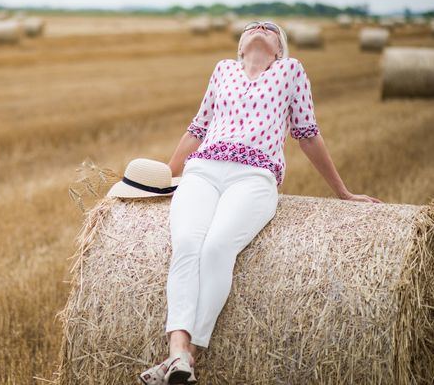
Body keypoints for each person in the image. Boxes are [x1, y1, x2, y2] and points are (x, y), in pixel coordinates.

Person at [139, 20, 382, 385]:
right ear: (240, 46)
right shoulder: (223, 69)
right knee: (187, 244)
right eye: (253, 25)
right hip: (202, 170)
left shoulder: (290, 71)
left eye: (269, 28)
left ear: (279, 49)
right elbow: (197, 129)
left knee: (218, 248)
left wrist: (343, 193)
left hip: (254, 178)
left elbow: (308, 135)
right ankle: (177, 352)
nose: (260, 27)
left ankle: (186, 357)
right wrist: (164, 179)